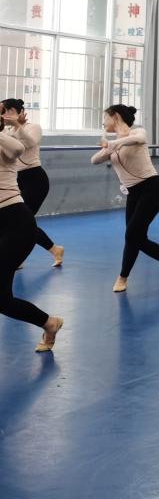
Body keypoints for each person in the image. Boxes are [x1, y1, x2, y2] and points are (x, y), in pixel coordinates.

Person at [91, 105, 159, 292]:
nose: (103, 122)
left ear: (116, 116)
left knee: (132, 235)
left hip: (152, 189)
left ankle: (123, 277)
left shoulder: (137, 132)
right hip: (134, 193)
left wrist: (115, 144)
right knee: (135, 237)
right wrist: (108, 148)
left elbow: (140, 139)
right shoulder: (113, 144)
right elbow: (94, 160)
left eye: (105, 117)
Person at [0, 127, 63, 351]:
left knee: (2, 300)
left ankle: (49, 323)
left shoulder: (6, 142)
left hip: (16, 223)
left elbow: (18, 148)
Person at [1, 98, 63, 266]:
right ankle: (55, 250)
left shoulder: (33, 127)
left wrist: (17, 125)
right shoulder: (5, 131)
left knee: (23, 221)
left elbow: (29, 143)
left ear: (15, 111)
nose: (3, 115)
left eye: (4, 111)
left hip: (35, 179)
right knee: (19, 222)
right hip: (16, 180)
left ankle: (16, 257)